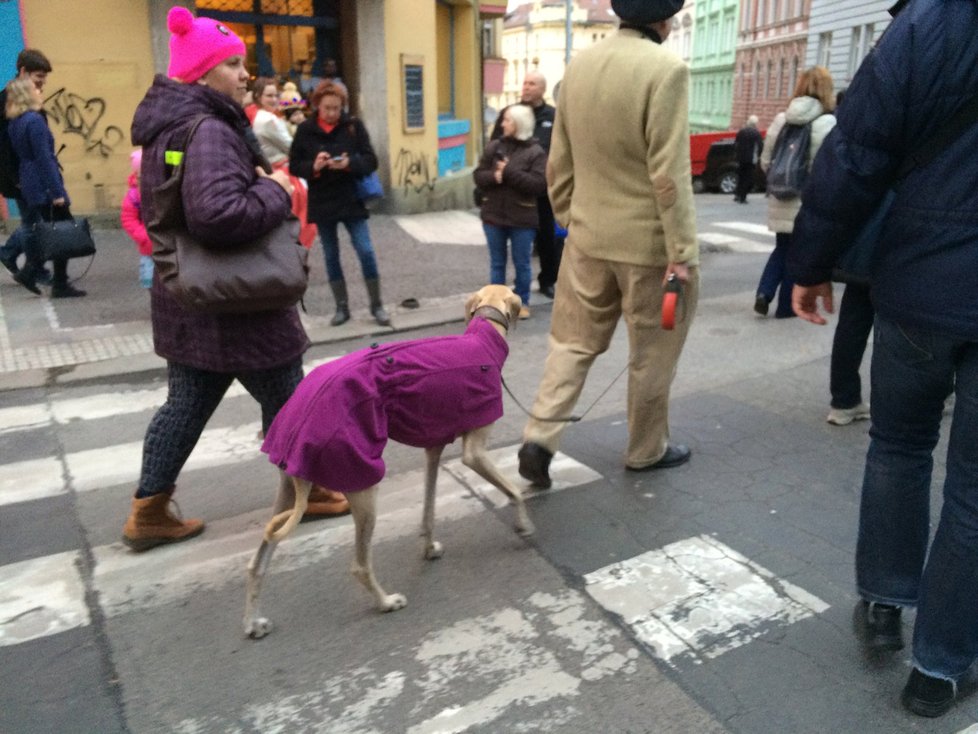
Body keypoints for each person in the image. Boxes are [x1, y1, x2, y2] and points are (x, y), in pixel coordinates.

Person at [789, 0, 978, 717]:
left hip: (919, 285)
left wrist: (811, 260)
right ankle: (940, 666)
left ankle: (882, 602)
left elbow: (856, 153)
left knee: (898, 446)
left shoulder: (927, 24)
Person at [122, 7, 349, 552]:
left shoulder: (170, 126)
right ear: (204, 73)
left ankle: (149, 509)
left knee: (188, 403)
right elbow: (218, 215)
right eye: (235, 63)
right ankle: (311, 488)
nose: (246, 74)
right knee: (288, 395)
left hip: (194, 296)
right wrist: (277, 187)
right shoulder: (208, 132)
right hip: (238, 300)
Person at [516, 0, 698, 487]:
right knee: (652, 353)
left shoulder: (579, 67)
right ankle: (645, 449)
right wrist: (682, 253)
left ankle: (539, 436)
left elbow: (558, 161)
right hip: (650, 248)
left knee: (572, 343)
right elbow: (669, 175)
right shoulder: (668, 69)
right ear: (665, 20)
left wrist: (570, 218)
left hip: (588, 239)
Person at [289, 80, 389, 327]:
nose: (332, 113)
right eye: (327, 108)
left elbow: (371, 160)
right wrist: (315, 166)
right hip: (323, 201)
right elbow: (294, 165)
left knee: (365, 250)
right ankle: (341, 307)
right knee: (331, 254)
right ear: (317, 106)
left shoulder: (353, 126)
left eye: (337, 108)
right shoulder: (306, 130)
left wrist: (349, 163)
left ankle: (377, 305)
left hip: (351, 198)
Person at [752, 67, 836, 319]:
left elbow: (766, 161)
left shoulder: (781, 119)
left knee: (781, 248)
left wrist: (780, 180)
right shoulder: (828, 122)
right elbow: (830, 168)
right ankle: (787, 308)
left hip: (781, 195)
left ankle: (764, 293)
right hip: (808, 199)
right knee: (798, 254)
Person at [4, 77, 85, 298]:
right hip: (43, 182)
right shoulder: (34, 121)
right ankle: (52, 281)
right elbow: (44, 158)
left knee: (51, 230)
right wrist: (57, 192)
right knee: (61, 231)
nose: (39, 91)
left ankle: (40, 274)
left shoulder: (16, 121)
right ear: (26, 95)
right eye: (34, 89)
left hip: (29, 180)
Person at [473, 104, 546, 319]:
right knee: (497, 262)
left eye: (507, 120)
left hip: (522, 217)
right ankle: (494, 303)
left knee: (522, 262)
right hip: (493, 214)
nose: (502, 124)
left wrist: (509, 171)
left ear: (518, 124)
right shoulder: (495, 146)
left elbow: (538, 185)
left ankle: (520, 302)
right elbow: (479, 175)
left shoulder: (536, 152)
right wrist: (494, 177)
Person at [0, 49, 54, 286]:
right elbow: (5, 145)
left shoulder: (32, 96)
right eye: (38, 75)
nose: (42, 82)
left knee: (35, 220)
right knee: (35, 223)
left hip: (32, 172)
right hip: (20, 174)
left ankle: (10, 254)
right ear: (23, 71)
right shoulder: (7, 101)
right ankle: (35, 270)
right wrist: (15, 176)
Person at [250, 76, 315, 248]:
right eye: (268, 96)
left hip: (276, 171)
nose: (273, 100)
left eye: (275, 95)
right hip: (284, 173)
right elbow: (291, 146)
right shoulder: (268, 120)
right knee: (301, 219)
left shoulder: (262, 117)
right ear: (258, 96)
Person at [120, 149, 153, 289]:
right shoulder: (133, 196)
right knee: (151, 282)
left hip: (170, 246)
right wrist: (144, 236)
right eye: (141, 177)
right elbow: (128, 219)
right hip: (149, 248)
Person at [733, 114, 762, 204]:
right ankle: (743, 197)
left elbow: (736, 143)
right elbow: (759, 146)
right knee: (747, 177)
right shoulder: (756, 133)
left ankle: (737, 195)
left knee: (741, 176)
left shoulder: (742, 131)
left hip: (741, 158)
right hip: (750, 159)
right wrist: (759, 156)